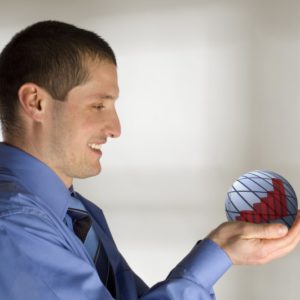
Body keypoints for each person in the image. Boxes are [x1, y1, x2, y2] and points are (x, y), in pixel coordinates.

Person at [0, 20, 299, 300]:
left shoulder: (79, 215)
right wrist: (216, 255)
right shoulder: (13, 228)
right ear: (36, 103)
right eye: (98, 105)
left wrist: (222, 251)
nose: (115, 129)